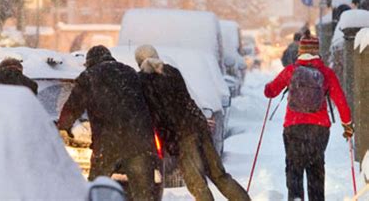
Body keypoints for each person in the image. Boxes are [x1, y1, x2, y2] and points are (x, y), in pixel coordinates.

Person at [135, 44, 250, 201]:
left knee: (196, 183)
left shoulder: (142, 80)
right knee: (219, 175)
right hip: (198, 128)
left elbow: (155, 114)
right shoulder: (171, 72)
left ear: (138, 61)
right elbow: (187, 101)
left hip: (180, 137)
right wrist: (201, 120)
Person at [57, 45, 157, 201]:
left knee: (97, 188)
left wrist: (62, 127)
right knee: (143, 193)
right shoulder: (130, 72)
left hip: (107, 144)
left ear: (89, 62)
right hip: (139, 141)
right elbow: (150, 102)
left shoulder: (89, 76)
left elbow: (72, 107)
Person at [264, 36, 354, 201]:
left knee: (294, 169)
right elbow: (340, 100)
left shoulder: (291, 70)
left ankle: (296, 198)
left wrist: (268, 88)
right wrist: (347, 124)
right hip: (319, 129)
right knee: (316, 169)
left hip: (294, 126)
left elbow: (271, 91)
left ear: (300, 51)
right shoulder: (326, 73)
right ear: (316, 52)